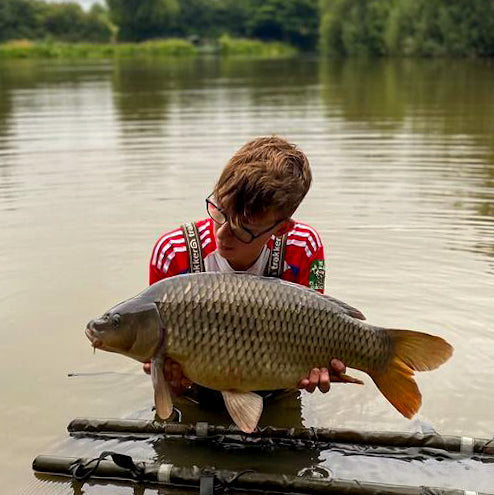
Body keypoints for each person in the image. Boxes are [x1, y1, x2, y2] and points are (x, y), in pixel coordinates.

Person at [144, 135, 347, 401]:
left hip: (276, 393)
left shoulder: (303, 247)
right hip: (196, 395)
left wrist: (320, 367)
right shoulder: (173, 253)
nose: (222, 234)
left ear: (282, 229)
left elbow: (317, 332)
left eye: (243, 229)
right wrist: (169, 377)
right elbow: (162, 378)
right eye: (220, 211)